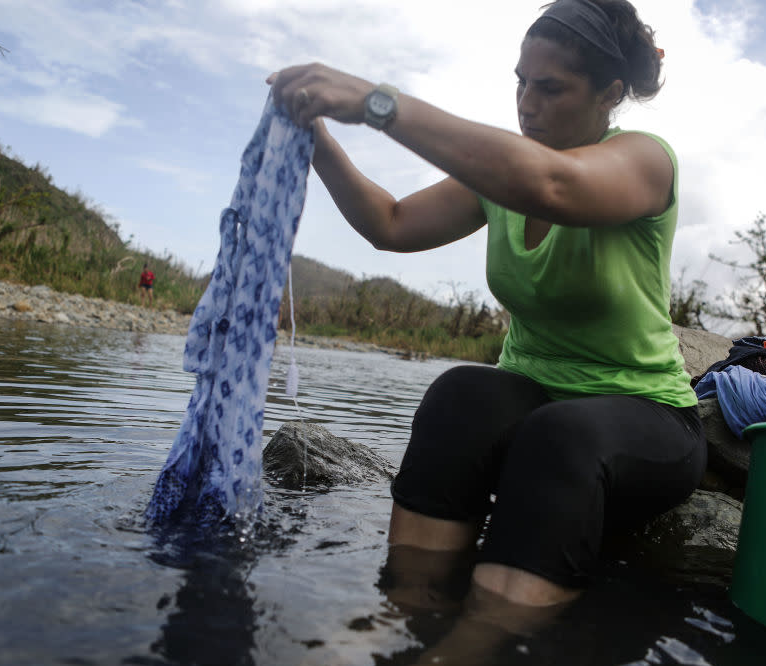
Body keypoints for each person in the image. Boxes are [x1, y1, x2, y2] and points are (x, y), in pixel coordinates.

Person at [271, 0, 706, 610]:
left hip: (646, 416)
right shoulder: (498, 181)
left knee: (562, 435)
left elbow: (552, 184)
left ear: (609, 93)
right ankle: (396, 616)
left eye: (550, 88)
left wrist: (379, 103)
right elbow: (390, 224)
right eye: (521, 83)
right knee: (459, 394)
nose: (527, 103)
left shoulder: (645, 160)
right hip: (535, 398)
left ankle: (467, 660)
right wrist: (318, 145)